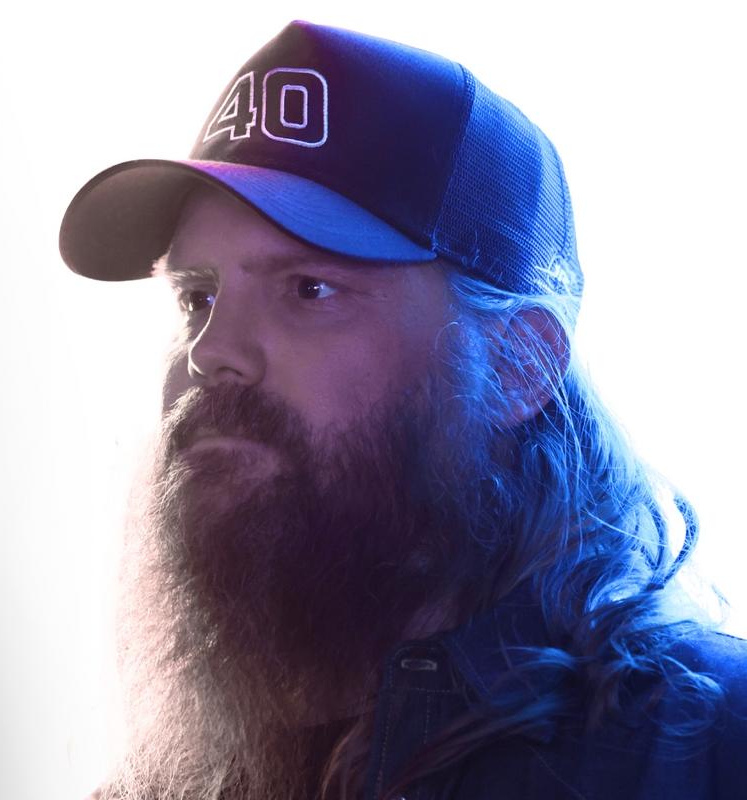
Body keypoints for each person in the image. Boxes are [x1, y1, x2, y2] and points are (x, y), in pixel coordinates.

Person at [57, 21, 746, 800]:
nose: (211, 351)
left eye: (309, 289)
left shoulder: (713, 753)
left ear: (519, 365)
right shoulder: (160, 787)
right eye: (197, 297)